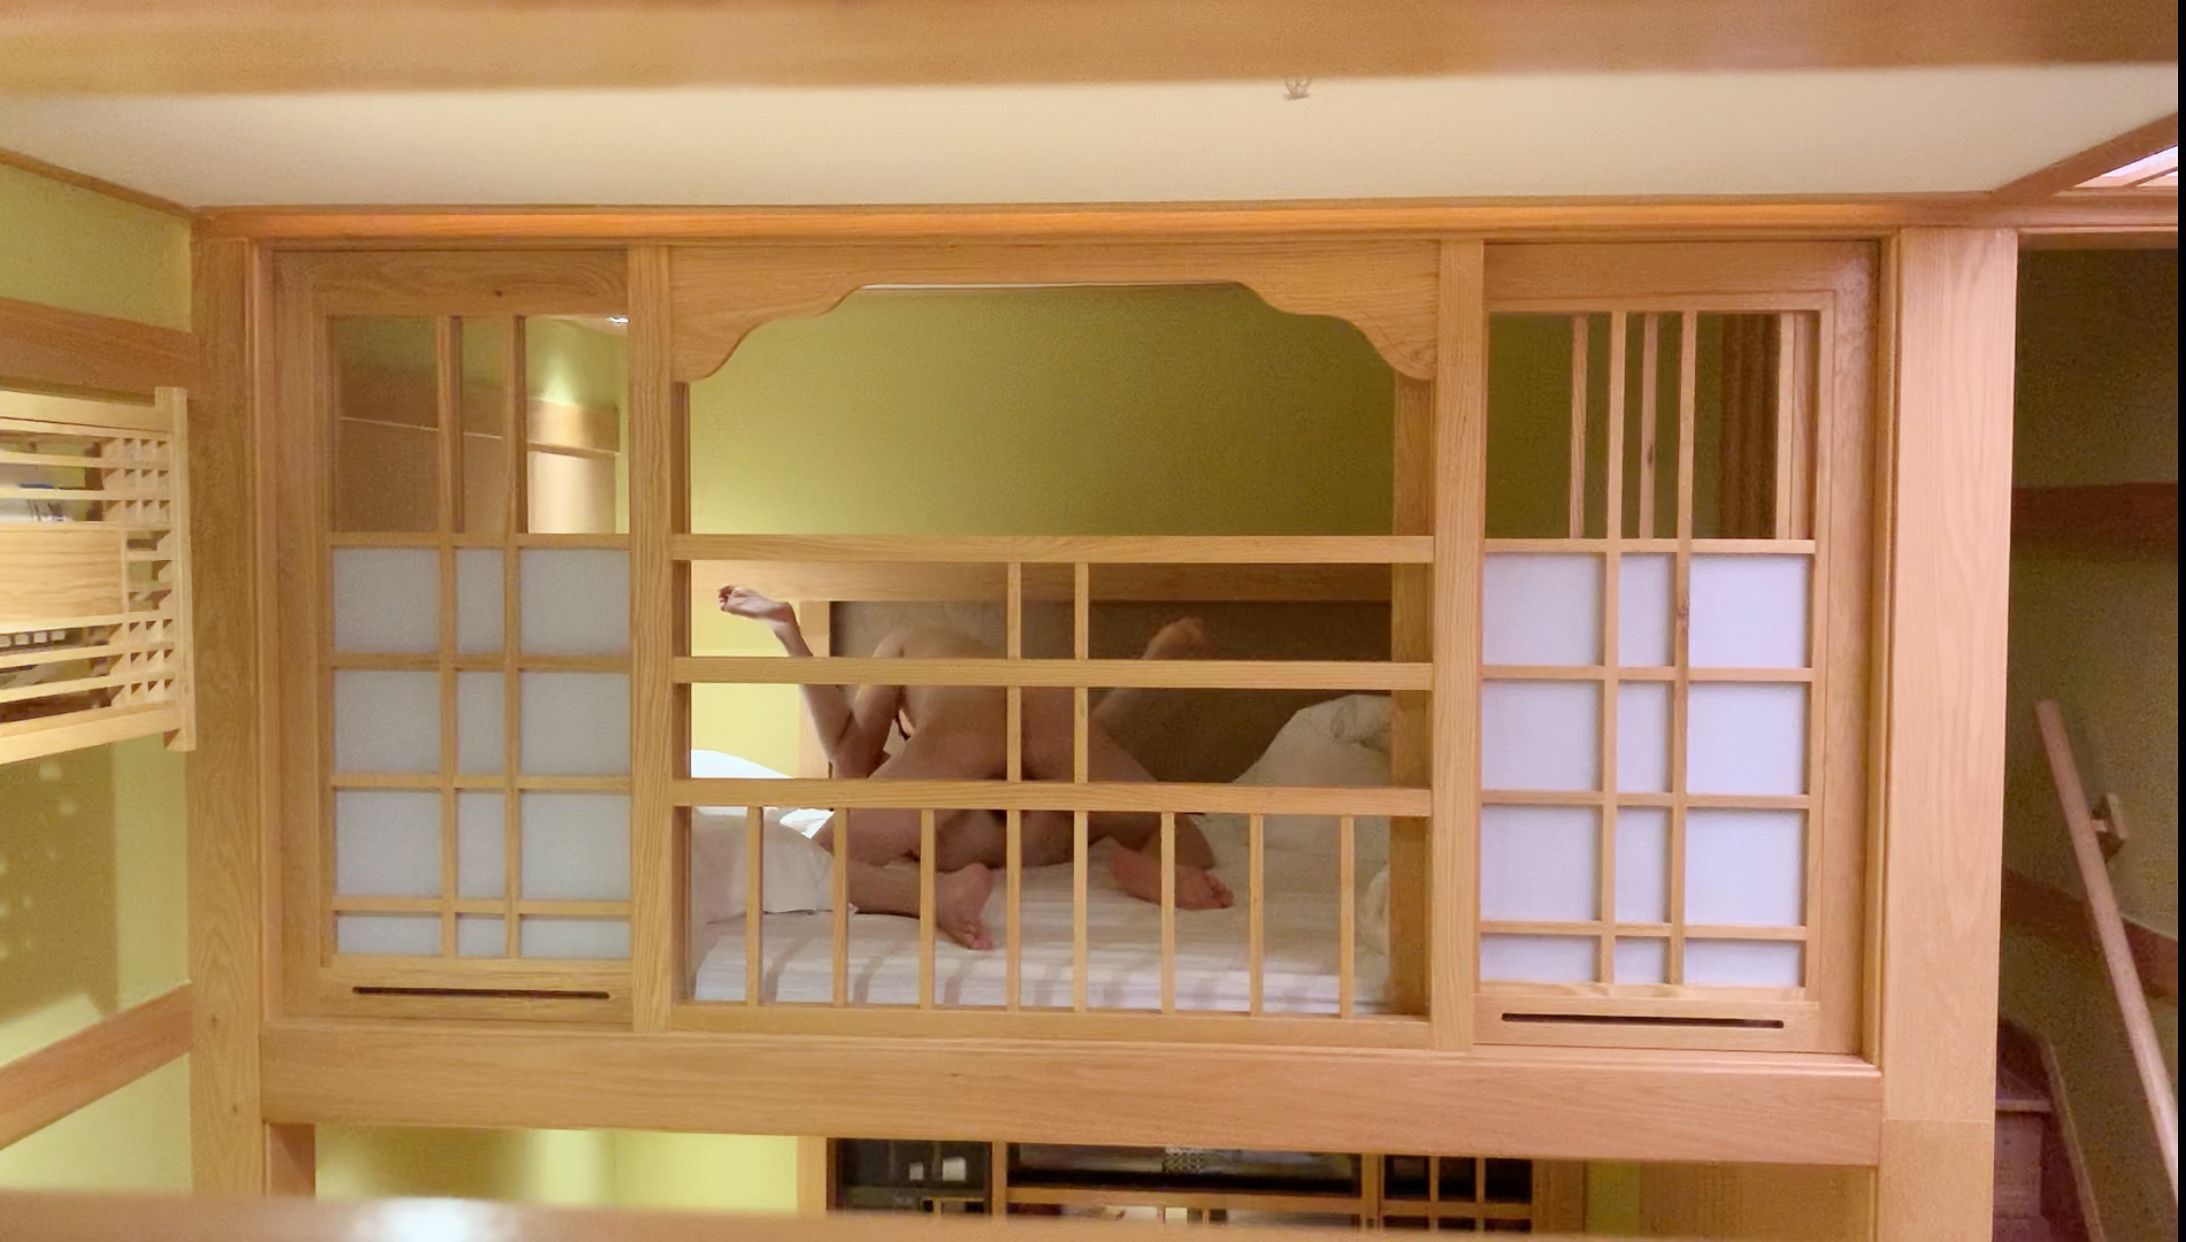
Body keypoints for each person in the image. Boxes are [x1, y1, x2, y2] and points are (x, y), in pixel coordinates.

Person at [717, 586, 1233, 949]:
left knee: (815, 863)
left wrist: (791, 636)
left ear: (904, 729)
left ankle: (934, 895)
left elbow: (850, 759)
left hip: (971, 739)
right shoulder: (959, 655)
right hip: (1050, 737)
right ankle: (1159, 863)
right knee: (1169, 826)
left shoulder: (898, 643)